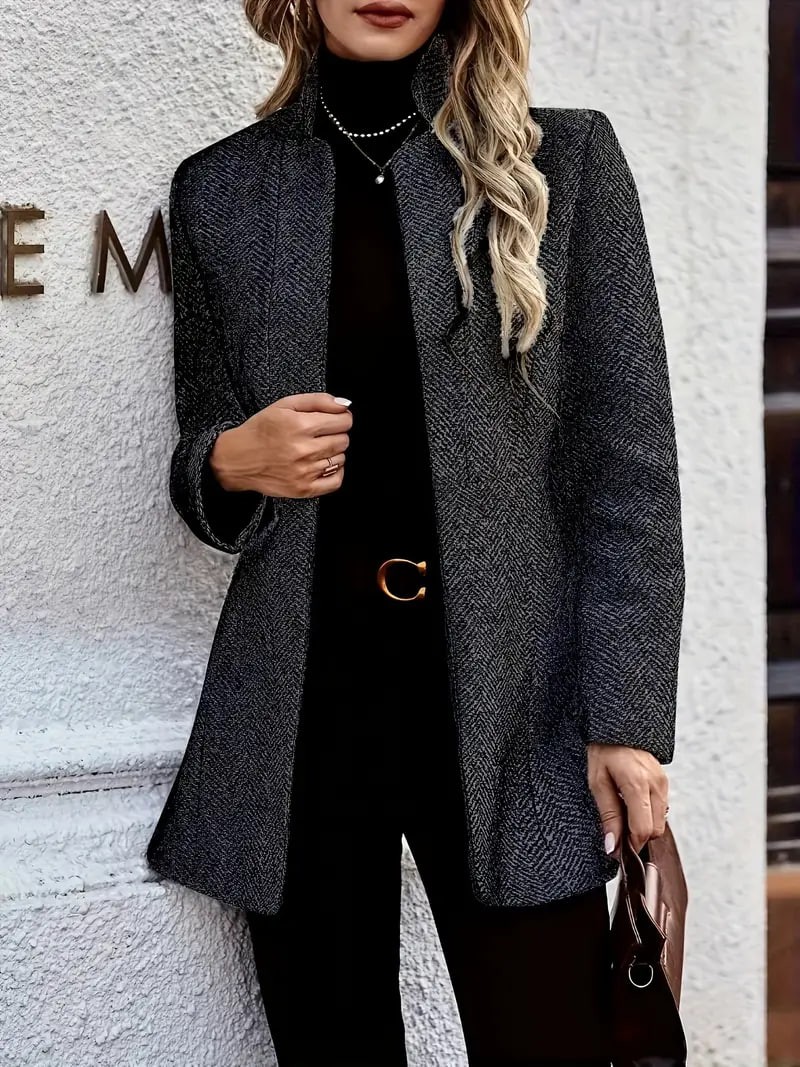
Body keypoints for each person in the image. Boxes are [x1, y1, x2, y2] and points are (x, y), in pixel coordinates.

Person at [146, 0, 685, 1063]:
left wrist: (625, 717)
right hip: (302, 715)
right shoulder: (224, 190)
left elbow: (628, 473)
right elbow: (204, 442)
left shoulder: (565, 164)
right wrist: (227, 461)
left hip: (512, 708)